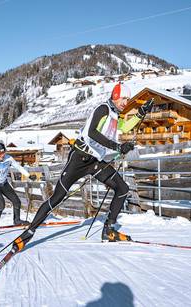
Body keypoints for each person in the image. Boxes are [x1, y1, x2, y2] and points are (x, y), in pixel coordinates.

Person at [12, 83, 154, 252]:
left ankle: (109, 230)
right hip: (79, 158)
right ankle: (28, 233)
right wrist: (117, 147)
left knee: (122, 188)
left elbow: (125, 127)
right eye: (124, 98)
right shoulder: (103, 109)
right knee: (58, 197)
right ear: (115, 96)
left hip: (95, 162)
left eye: (127, 99)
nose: (125, 102)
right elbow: (91, 133)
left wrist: (140, 114)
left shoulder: (116, 115)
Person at [0, 142, 37, 238]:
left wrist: (29, 176)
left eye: (3, 152)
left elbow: (19, 167)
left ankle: (17, 220)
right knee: (1, 204)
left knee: (16, 201)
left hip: (4, 184)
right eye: (0, 153)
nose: (2, 155)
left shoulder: (8, 158)